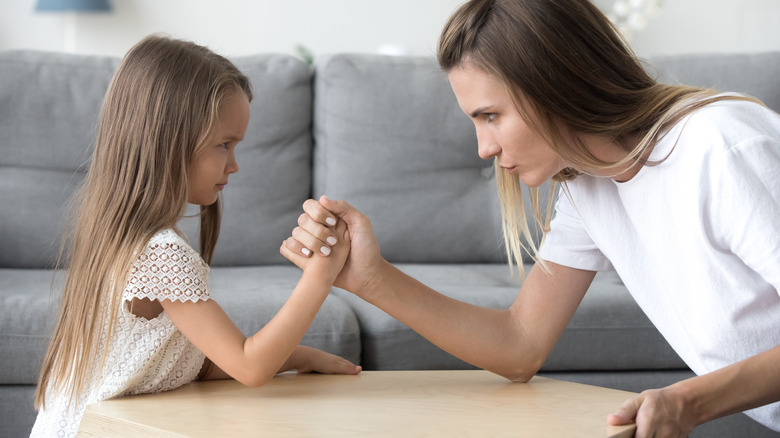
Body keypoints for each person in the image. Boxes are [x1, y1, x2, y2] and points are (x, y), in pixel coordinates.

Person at [281, 0, 780, 436]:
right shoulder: (589, 185)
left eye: (490, 115)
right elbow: (520, 346)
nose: (484, 148)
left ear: (556, 84)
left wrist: (692, 401)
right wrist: (370, 278)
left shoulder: (723, 145)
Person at [31, 35, 359, 438]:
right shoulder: (162, 253)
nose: (234, 165)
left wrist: (296, 356)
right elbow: (249, 366)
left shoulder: (118, 234)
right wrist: (321, 273)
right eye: (224, 145)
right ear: (167, 141)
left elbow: (171, 362)